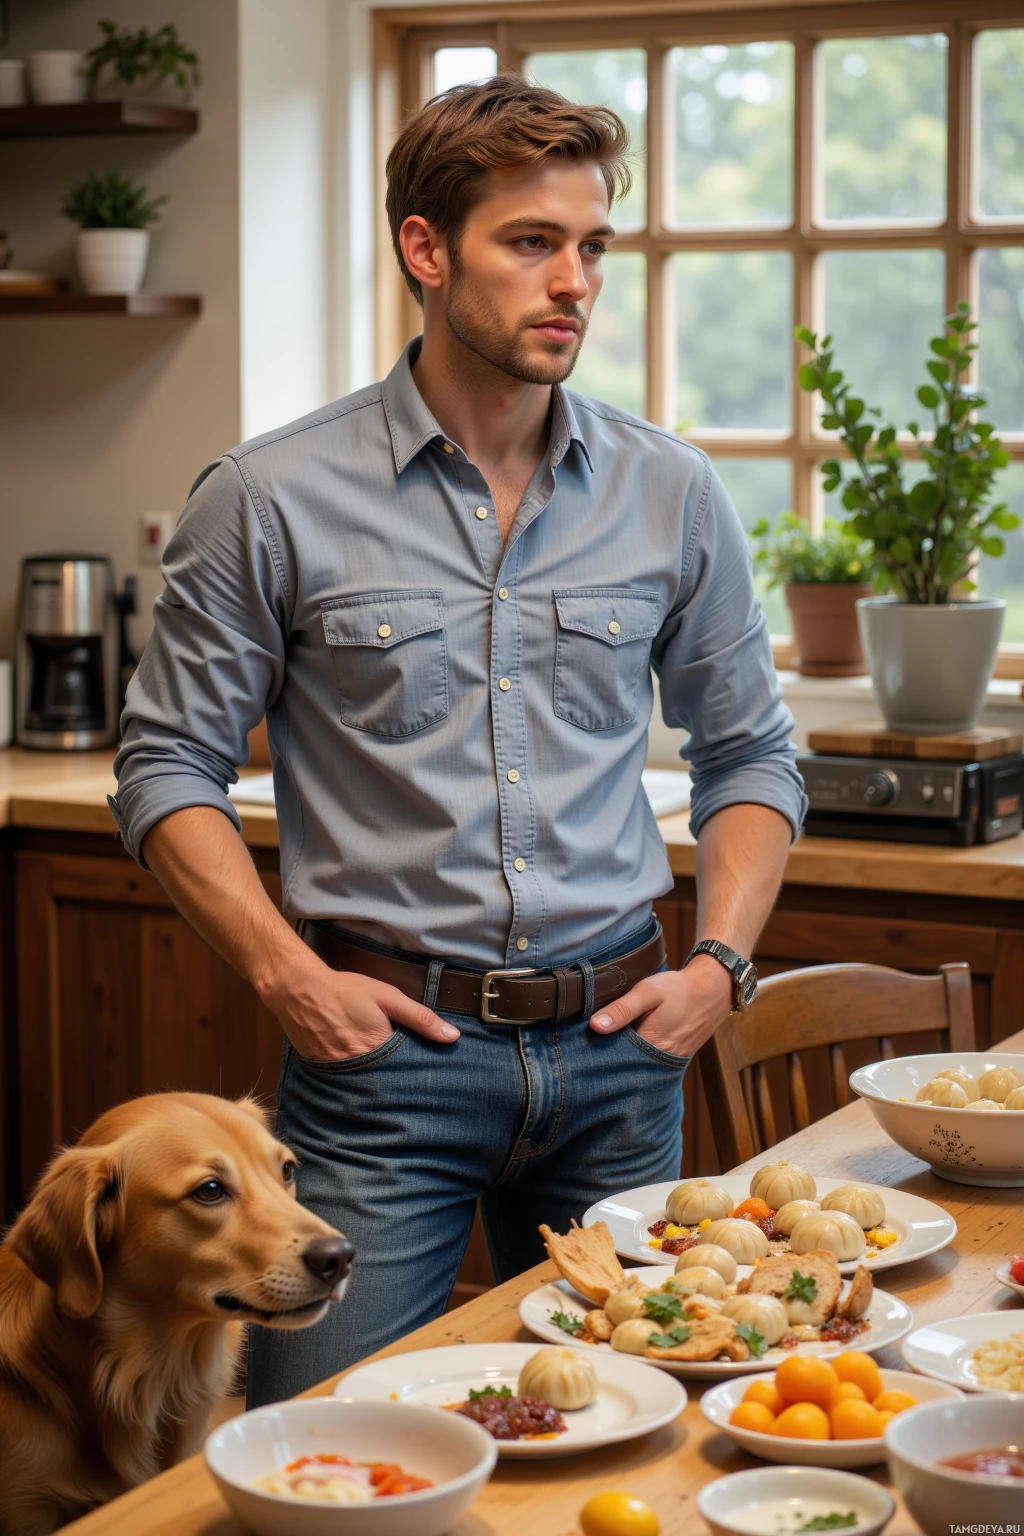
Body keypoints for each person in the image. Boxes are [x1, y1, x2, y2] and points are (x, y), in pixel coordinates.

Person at [111, 74, 805, 1407]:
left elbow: (752, 754)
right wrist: (282, 976)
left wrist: (722, 962)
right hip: (384, 1068)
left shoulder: (673, 492)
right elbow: (163, 769)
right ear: (425, 250)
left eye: (593, 246)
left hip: (623, 1053)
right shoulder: (266, 498)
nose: (574, 283)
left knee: (647, 1428)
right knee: (336, 1450)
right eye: (531, 242)